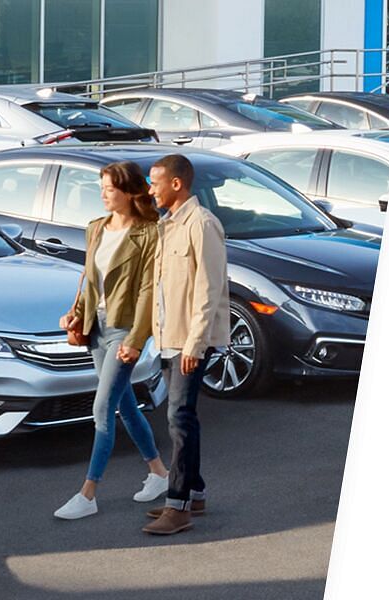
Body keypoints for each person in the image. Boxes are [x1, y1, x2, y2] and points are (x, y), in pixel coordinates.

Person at [54, 161, 171, 520]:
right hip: (97, 327)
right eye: (101, 187)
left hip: (124, 329)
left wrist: (137, 340)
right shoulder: (96, 228)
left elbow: (151, 291)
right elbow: (88, 279)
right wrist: (74, 311)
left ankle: (88, 494)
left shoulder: (149, 233)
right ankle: (159, 474)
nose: (103, 194)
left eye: (109, 188)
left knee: (101, 409)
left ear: (130, 191)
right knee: (125, 405)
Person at [142, 154, 230, 536]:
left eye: (154, 182)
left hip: (189, 340)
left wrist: (194, 345)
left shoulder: (202, 225)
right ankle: (194, 492)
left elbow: (209, 290)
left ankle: (177, 506)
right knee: (181, 417)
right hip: (168, 336)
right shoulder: (166, 226)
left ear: (176, 184)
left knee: (179, 419)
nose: (150, 189)